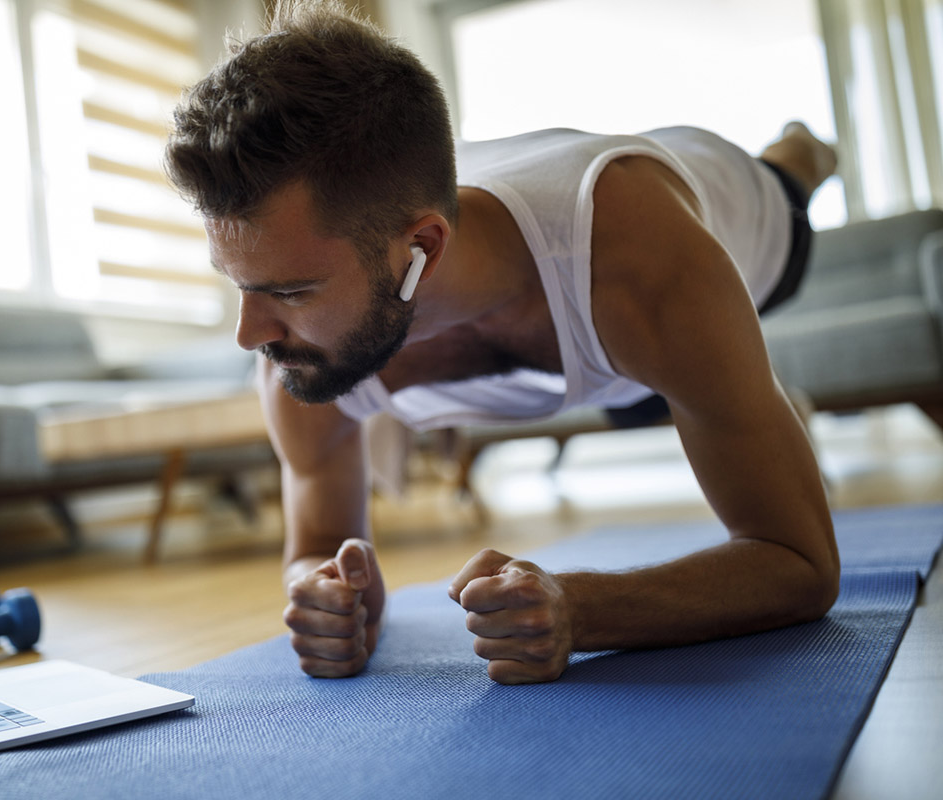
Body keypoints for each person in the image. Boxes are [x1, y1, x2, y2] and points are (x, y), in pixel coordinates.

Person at [164, 0, 841, 684]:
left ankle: (800, 150)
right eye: (239, 284)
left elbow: (801, 564)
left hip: (739, 215)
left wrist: (581, 607)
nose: (251, 335)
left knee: (790, 174)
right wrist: (321, 590)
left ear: (421, 247)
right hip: (617, 346)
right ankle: (724, 401)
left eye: (290, 290)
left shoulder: (646, 267)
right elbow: (312, 546)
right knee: (653, 387)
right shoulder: (307, 348)